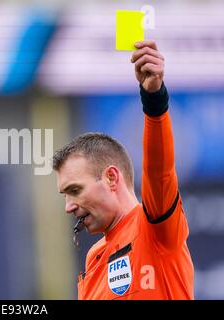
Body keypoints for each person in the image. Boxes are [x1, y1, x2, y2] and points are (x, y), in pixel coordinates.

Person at [53, 41, 194, 300]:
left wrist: (154, 100)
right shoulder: (94, 257)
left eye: (75, 190)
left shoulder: (156, 227)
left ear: (110, 177)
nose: (68, 207)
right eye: (65, 194)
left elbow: (159, 171)